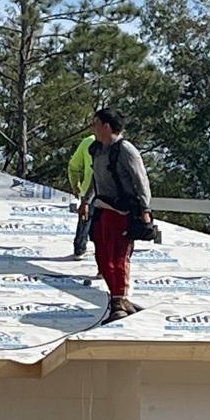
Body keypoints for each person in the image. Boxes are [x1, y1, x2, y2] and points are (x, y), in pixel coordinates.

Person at [79, 107, 153, 322]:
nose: (93, 128)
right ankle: (118, 298)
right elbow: (95, 177)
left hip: (124, 211)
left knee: (119, 257)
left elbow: (141, 180)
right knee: (102, 259)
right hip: (103, 209)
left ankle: (119, 299)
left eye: (96, 123)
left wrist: (145, 210)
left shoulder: (125, 150)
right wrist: (86, 200)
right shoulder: (97, 149)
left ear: (106, 126)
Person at [67, 131, 96, 259]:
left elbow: (73, 165)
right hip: (108, 190)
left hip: (87, 188)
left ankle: (80, 248)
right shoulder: (116, 142)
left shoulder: (87, 141)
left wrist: (75, 183)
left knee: (85, 219)